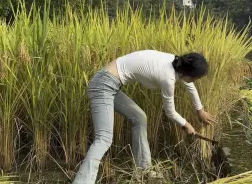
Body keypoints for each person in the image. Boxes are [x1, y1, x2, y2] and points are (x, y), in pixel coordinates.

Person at [72, 50, 217, 184]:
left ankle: (143, 169)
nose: (195, 81)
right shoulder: (167, 77)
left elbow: (189, 85)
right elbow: (170, 112)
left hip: (111, 85)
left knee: (139, 117)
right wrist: (186, 125)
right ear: (188, 73)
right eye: (196, 78)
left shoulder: (176, 62)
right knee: (104, 138)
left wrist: (200, 110)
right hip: (102, 85)